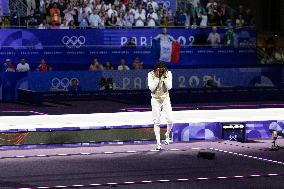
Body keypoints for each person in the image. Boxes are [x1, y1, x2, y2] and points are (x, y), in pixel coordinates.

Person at [148, 62, 174, 150]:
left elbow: (169, 87)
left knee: (170, 120)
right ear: (155, 70)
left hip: (165, 98)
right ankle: (158, 143)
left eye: (162, 70)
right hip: (155, 99)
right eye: (159, 70)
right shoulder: (150, 74)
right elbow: (151, 88)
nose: (161, 71)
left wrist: (164, 77)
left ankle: (167, 134)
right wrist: (156, 78)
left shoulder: (168, 73)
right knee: (156, 121)